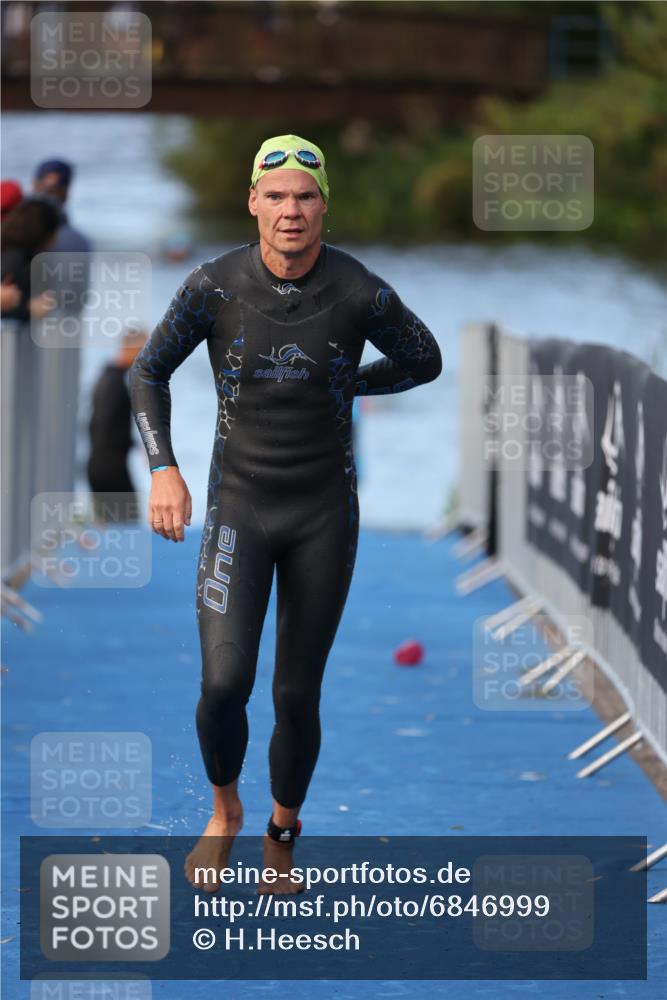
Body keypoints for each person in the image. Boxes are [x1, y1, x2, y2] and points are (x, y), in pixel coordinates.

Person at [129, 134, 442, 893]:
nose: (290, 210)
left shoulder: (360, 292)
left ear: (324, 205)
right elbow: (147, 373)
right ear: (253, 203)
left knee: (295, 693)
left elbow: (424, 361)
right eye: (275, 196)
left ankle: (281, 830)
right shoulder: (214, 286)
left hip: (322, 514)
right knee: (223, 685)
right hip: (238, 507)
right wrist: (163, 470)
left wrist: (346, 383)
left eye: (304, 196)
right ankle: (225, 811)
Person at [87, 329, 147, 523]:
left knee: (115, 522)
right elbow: (103, 428)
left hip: (103, 464)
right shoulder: (113, 383)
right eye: (143, 350)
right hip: (109, 467)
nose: (146, 357)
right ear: (128, 349)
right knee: (127, 521)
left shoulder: (110, 377)